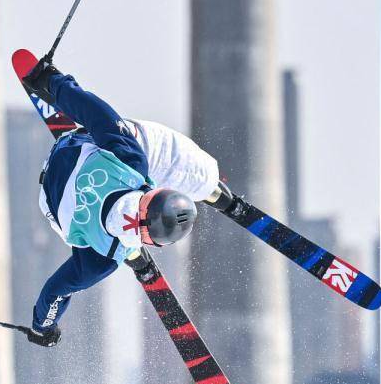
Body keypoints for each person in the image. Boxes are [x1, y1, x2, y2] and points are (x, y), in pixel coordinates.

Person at [22, 59, 227, 347]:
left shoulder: (131, 163)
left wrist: (53, 82)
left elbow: (95, 112)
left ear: (153, 193)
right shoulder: (100, 263)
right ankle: (136, 256)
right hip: (50, 201)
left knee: (141, 143)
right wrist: (43, 326)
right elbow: (55, 292)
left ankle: (209, 188)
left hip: (68, 150)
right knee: (114, 246)